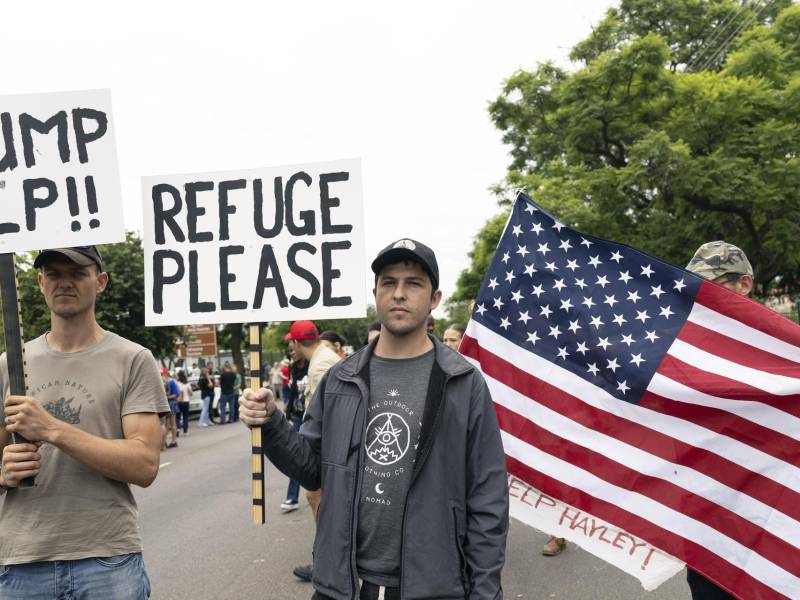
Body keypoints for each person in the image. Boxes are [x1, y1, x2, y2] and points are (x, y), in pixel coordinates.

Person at [241, 238, 508, 600]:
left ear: (434, 299)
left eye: (413, 283)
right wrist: (271, 421)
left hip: (433, 587)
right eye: (389, 282)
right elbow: (311, 468)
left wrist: (485, 593)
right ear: (376, 292)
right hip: (345, 587)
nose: (399, 293)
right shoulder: (341, 379)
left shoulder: (462, 382)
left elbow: (487, 499)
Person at [0, 245, 166, 599]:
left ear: (100, 281)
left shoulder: (133, 359)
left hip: (108, 559)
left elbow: (145, 464)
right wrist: (3, 474)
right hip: (22, 562)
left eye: (77, 273)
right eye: (55, 274)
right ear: (40, 281)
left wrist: (52, 429)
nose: (65, 283)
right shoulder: (9, 363)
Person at [684, 241, 754, 600]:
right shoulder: (688, 349)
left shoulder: (782, 351)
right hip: (708, 529)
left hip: (771, 521)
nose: (704, 297)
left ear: (744, 283)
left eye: (713, 285)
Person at [282, 320, 342, 582]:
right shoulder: (324, 357)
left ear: (296, 343)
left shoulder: (319, 366)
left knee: (318, 499)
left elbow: (323, 414)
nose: (290, 350)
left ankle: (326, 563)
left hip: (326, 447)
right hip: (331, 445)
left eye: (290, 344)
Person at [280, 348, 308, 515]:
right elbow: (293, 393)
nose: (292, 350)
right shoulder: (293, 367)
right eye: (289, 348)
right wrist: (288, 411)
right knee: (296, 457)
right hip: (298, 416)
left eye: (294, 346)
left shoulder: (314, 364)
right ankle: (292, 498)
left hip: (313, 417)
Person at [162, 369, 179, 448]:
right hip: (168, 403)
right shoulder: (166, 382)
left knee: (171, 424)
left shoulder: (171, 382)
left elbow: (176, 394)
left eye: (163, 374)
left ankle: (173, 440)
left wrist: (166, 397)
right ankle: (165, 441)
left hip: (170, 403)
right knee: (167, 424)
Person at [176, 370, 192, 436]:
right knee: (185, 417)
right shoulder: (187, 384)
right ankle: (185, 431)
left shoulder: (177, 383)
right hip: (186, 401)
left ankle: (178, 429)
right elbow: (191, 393)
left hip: (178, 401)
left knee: (177, 417)